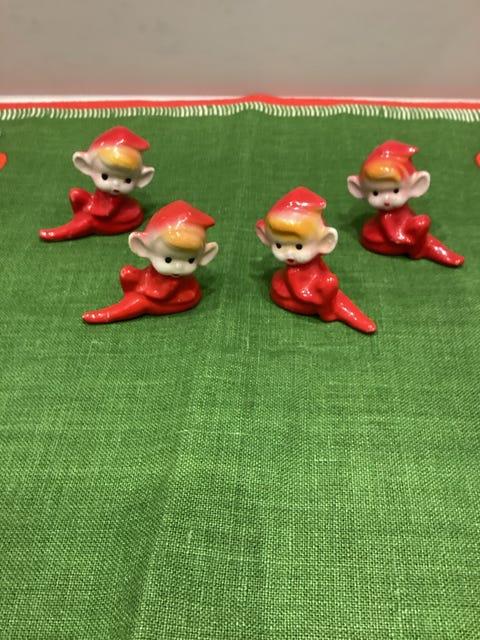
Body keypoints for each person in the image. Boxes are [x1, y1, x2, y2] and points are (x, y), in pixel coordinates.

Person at [255, 186, 376, 333]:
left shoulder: (316, 265)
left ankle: (335, 311)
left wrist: (325, 289)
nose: (289, 253)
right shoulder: (293, 272)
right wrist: (319, 295)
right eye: (279, 245)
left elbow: (319, 278)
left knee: (334, 292)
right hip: (304, 293)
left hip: (317, 289)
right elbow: (299, 289)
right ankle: (328, 310)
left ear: (326, 242)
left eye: (299, 246)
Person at [83, 200, 218, 323]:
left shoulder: (187, 287)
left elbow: (161, 293)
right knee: (128, 274)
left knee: (140, 302)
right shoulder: (151, 275)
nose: (178, 266)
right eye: (168, 259)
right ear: (143, 247)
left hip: (173, 299)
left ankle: (106, 314)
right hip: (150, 289)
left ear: (205, 256)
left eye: (190, 260)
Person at [347, 140, 464, 266]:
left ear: (416, 185)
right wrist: (406, 239)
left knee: (424, 229)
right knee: (424, 229)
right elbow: (393, 234)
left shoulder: (404, 210)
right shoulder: (387, 217)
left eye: (395, 191)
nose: (386, 199)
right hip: (403, 238)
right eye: (375, 193)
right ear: (360, 189)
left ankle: (437, 252)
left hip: (407, 230)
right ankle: (419, 251)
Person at [39, 126, 154, 241]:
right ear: (87, 166)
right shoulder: (103, 193)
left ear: (141, 178)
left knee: (88, 221)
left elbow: (106, 212)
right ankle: (78, 217)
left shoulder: (115, 200)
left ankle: (61, 232)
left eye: (127, 180)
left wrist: (90, 209)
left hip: (111, 219)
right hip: (97, 205)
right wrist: (89, 205)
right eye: (105, 176)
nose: (115, 184)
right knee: (75, 194)